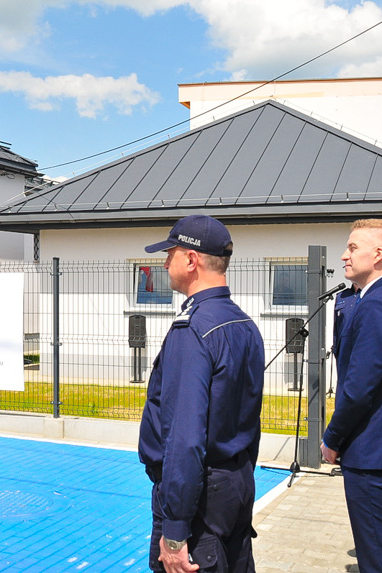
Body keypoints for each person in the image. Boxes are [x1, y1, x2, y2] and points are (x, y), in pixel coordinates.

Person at [138, 214, 265, 573]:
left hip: (200, 497)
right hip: (236, 481)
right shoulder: (244, 324)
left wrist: (176, 530)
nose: (165, 262)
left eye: (171, 253)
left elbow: (184, 438)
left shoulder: (192, 330)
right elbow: (250, 416)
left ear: (191, 260)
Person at [321, 219, 382, 573]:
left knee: (379, 558)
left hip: (373, 450)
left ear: (378, 255)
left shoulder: (378, 304)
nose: (344, 256)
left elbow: (360, 389)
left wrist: (332, 438)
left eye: (352, 248)